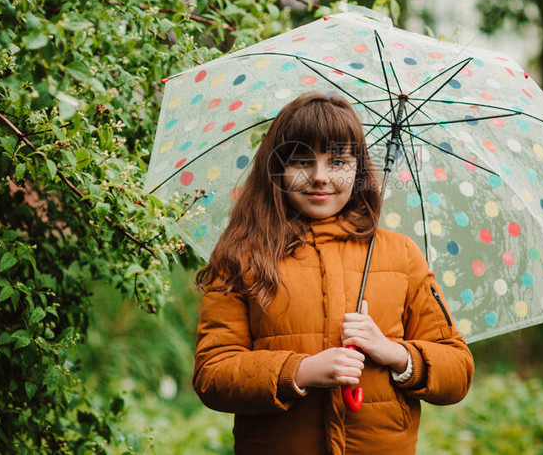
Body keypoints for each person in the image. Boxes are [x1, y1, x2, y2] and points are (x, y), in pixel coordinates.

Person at [193, 92, 474, 454]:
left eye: (337, 161)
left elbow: (458, 370)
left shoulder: (400, 255)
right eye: (301, 161)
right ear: (277, 169)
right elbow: (212, 374)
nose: (320, 177)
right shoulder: (243, 256)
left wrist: (395, 354)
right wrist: (301, 371)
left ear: (358, 170)